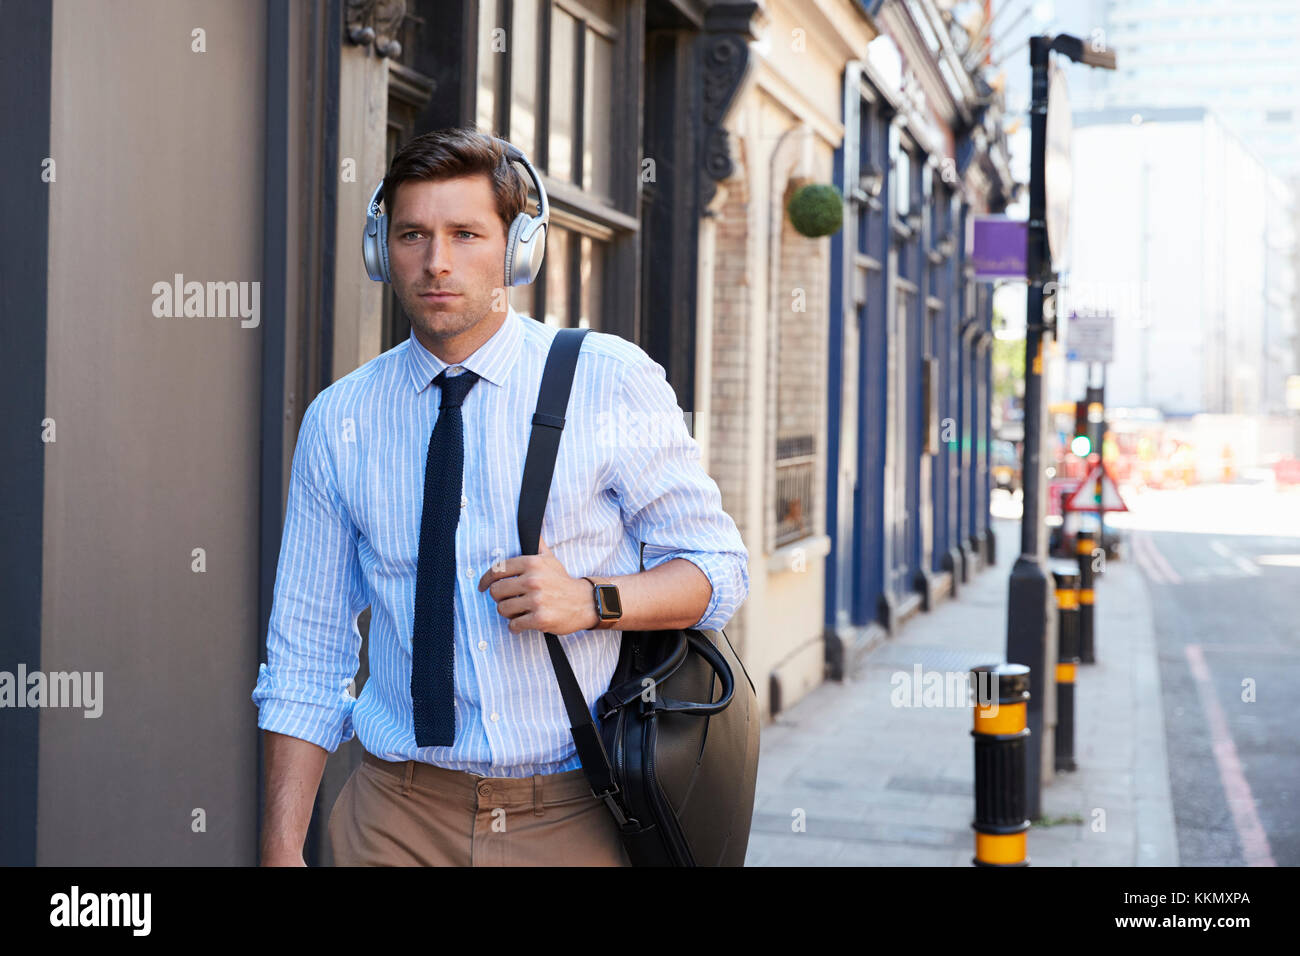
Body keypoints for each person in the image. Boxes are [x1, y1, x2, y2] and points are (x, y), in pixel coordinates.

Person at [251, 127, 749, 866]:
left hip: (570, 815)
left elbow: (720, 571)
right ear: (380, 249)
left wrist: (591, 600)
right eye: (412, 234)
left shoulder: (608, 379)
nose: (437, 261)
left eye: (465, 233)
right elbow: (305, 654)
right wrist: (282, 847)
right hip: (393, 814)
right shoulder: (340, 419)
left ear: (518, 248)